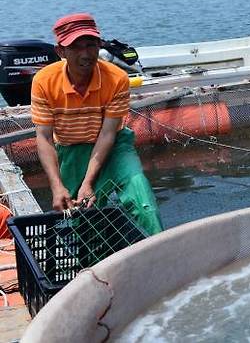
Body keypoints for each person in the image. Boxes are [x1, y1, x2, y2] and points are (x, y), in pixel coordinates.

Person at [31, 13, 163, 235]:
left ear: (99, 45)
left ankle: (161, 257)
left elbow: (108, 134)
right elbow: (44, 137)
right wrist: (56, 186)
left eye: (91, 45)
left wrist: (89, 182)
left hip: (113, 145)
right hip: (70, 147)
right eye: (75, 47)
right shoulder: (44, 81)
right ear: (60, 51)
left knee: (143, 201)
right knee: (81, 218)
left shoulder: (116, 78)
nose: (85, 54)